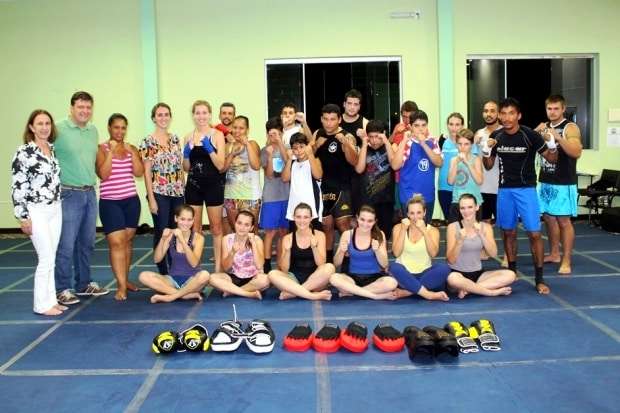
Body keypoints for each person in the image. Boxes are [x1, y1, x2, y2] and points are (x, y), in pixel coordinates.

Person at [482, 97, 558, 294]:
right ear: (500, 115)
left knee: (534, 233)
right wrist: (486, 150)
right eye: (503, 113)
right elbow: (488, 165)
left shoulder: (530, 135)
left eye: (511, 114)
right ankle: (512, 272)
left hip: (526, 190)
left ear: (518, 115)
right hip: (505, 190)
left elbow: (552, 158)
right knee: (508, 232)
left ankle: (539, 278)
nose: (507, 118)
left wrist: (552, 145)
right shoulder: (497, 136)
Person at [55, 91, 109, 305]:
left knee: (87, 243)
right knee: (66, 245)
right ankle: (61, 288)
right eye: (80, 107)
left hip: (89, 193)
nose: (85, 111)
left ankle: (83, 284)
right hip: (68, 193)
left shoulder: (93, 130)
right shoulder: (58, 129)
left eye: (88, 108)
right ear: (72, 108)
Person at [11, 110, 65, 315]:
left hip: (55, 209)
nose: (44, 127)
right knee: (45, 257)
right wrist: (23, 216)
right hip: (36, 211)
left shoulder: (51, 149)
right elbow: (18, 186)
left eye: (47, 123)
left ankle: (51, 300)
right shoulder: (24, 152)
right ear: (32, 127)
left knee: (51, 255)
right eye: (40, 124)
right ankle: (41, 305)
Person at [95, 114, 144, 300]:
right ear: (109, 128)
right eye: (116, 127)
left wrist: (133, 154)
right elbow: (104, 175)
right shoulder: (101, 149)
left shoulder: (131, 148)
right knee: (116, 243)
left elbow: (139, 172)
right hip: (110, 202)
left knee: (127, 242)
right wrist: (110, 153)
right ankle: (121, 286)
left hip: (131, 201)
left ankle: (125, 280)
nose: (120, 131)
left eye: (123, 128)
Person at [535, 95, 582, 274]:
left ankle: (566, 260)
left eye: (556, 108)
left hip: (563, 182)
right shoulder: (545, 127)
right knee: (548, 218)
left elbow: (576, 152)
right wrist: (536, 131)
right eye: (549, 109)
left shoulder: (570, 127)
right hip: (545, 179)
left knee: (564, 221)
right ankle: (554, 253)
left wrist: (559, 137)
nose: (552, 112)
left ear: (563, 109)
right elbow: (528, 144)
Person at [140, 103, 185, 275]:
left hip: (178, 192)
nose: (163, 118)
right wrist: (151, 198)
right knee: (162, 231)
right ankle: (163, 270)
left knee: (176, 231)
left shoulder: (174, 139)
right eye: (159, 115)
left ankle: (175, 267)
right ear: (153, 118)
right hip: (159, 193)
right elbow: (146, 171)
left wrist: (183, 189)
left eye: (166, 114)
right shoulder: (148, 142)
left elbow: (179, 167)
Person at [182, 100, 226, 272]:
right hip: (194, 186)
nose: (201, 116)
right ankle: (196, 268)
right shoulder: (188, 136)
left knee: (216, 228)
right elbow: (186, 168)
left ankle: (218, 269)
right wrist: (186, 154)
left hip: (213, 186)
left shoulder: (217, 135)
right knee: (196, 229)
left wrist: (209, 149)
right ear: (193, 115)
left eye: (204, 112)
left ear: (209, 114)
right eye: (197, 113)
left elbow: (221, 165)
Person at [446, 194, 516, 298]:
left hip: (478, 275)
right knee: (452, 279)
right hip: (457, 274)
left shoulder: (486, 227)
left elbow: (493, 254)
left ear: (476, 207)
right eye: (463, 208)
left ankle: (468, 290)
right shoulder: (453, 227)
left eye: (470, 207)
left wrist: (482, 235)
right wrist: (459, 241)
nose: (466, 211)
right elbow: (450, 260)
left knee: (511, 275)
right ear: (459, 210)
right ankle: (491, 292)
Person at [138, 205, 210, 303]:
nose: (186, 223)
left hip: (192, 280)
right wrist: (163, 239)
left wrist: (182, 240)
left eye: (189, 220)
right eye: (182, 219)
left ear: (193, 220)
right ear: (176, 218)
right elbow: (157, 259)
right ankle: (184, 295)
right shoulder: (170, 236)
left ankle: (171, 296)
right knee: (143, 276)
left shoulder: (198, 238)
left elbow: (194, 263)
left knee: (205, 275)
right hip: (172, 280)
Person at [313, 104, 358, 260]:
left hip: (342, 187)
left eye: (333, 119)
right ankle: (329, 262)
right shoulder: (317, 133)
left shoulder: (347, 135)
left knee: (344, 226)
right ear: (321, 119)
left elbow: (354, 161)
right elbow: (308, 157)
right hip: (323, 187)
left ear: (339, 120)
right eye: (325, 119)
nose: (329, 123)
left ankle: (349, 263)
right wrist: (314, 146)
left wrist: (346, 144)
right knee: (327, 227)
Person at [388, 195, 451, 301]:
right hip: (404, 275)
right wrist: (403, 230)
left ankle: (407, 292)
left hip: (425, 274)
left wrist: (424, 231)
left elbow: (433, 254)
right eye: (412, 213)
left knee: (444, 268)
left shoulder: (433, 231)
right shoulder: (398, 228)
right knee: (394, 267)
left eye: (419, 213)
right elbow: (396, 253)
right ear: (407, 214)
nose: (415, 217)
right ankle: (428, 294)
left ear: (425, 212)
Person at [268, 203, 334, 300]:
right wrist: (287, 251)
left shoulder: (319, 235)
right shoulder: (288, 238)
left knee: (329, 267)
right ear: (294, 218)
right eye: (298, 217)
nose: (302, 221)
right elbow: (285, 270)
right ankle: (311, 295)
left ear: (311, 218)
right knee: (272, 274)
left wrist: (314, 247)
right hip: (293, 279)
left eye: (305, 217)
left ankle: (295, 293)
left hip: (315, 279)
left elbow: (321, 264)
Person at [330, 206, 397, 299]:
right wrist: (341, 251)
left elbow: (385, 264)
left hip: (375, 279)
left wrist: (377, 250)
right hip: (352, 278)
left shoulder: (379, 234)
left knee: (392, 283)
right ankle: (375, 296)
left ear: (374, 222)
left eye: (370, 221)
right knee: (334, 278)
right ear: (357, 218)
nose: (365, 224)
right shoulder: (347, 234)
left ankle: (354, 292)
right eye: (362, 219)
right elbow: (336, 264)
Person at [392, 110, 443, 223]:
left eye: (423, 125)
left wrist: (423, 144)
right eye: (416, 126)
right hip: (408, 195)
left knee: (426, 230)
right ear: (410, 127)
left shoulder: (432, 141)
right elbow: (395, 166)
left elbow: (439, 162)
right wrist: (404, 140)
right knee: (410, 232)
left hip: (427, 195)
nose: (420, 129)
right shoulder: (407, 143)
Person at [209, 210, 269, 299]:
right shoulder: (226, 239)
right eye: (239, 223)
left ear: (251, 228)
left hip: (253, 278)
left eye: (246, 225)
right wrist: (232, 252)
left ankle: (233, 291)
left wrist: (253, 245)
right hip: (233, 277)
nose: (242, 227)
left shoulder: (257, 240)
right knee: (212, 278)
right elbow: (226, 267)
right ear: (235, 223)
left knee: (266, 280)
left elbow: (259, 266)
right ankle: (248, 294)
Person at [355, 120, 397, 237]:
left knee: (385, 235)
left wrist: (386, 141)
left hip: (386, 200)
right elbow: (359, 169)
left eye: (377, 137)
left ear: (383, 134)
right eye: (371, 137)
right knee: (368, 234)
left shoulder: (390, 147)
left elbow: (394, 163)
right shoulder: (363, 149)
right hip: (367, 200)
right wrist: (364, 145)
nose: (374, 140)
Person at [259, 117, 290, 273]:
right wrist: (270, 156)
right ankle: (266, 266)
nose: (274, 137)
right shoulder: (265, 151)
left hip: (286, 196)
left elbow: (288, 161)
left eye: (277, 134)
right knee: (270, 232)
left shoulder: (288, 149)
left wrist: (280, 144)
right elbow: (270, 175)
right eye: (271, 134)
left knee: (284, 231)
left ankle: (281, 264)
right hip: (271, 197)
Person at [223, 116, 262, 226]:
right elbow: (223, 169)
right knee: (236, 231)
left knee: (251, 232)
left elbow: (256, 166)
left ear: (247, 130)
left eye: (241, 128)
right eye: (235, 127)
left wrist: (247, 144)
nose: (237, 131)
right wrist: (232, 154)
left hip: (251, 196)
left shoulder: (253, 144)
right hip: (231, 195)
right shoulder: (227, 146)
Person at [282, 132, 323, 224]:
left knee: (312, 236)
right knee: (295, 236)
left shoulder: (314, 160)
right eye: (295, 148)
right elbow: (285, 178)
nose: (299, 151)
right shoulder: (292, 163)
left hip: (312, 207)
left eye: (301, 147)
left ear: (307, 146)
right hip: (294, 208)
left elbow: (318, 175)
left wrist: (310, 154)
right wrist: (289, 159)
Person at [446, 128, 483, 223]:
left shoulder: (476, 159)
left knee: (474, 233)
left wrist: (467, 163)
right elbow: (450, 182)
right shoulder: (453, 160)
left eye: (466, 144)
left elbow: (479, 181)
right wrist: (455, 164)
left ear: (471, 145)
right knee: (456, 233)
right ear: (456, 144)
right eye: (460, 144)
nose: (462, 147)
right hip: (457, 201)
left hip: (474, 203)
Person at [437, 112, 469, 221]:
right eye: (451, 124)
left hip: (462, 189)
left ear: (462, 126)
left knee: (463, 224)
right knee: (450, 223)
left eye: (457, 124)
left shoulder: (467, 143)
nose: (454, 128)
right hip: (444, 188)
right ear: (447, 125)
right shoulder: (442, 142)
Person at [390, 100, 419, 217]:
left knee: (415, 210)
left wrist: (411, 131)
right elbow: (388, 142)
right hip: (398, 176)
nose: (406, 120)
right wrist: (396, 132)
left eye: (409, 117)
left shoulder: (419, 128)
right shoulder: (398, 126)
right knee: (400, 211)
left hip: (413, 177)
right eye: (404, 116)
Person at [475, 100, 501, 223]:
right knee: (483, 227)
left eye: (492, 111)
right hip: (482, 188)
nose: (488, 114)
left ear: (498, 114)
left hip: (501, 189)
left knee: (505, 228)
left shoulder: (504, 133)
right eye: (486, 111)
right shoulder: (479, 134)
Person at [215, 102, 236, 236]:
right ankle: (226, 251)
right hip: (218, 181)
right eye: (224, 113)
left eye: (230, 113)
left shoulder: (239, 132)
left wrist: (230, 135)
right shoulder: (215, 133)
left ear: (234, 116)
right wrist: (224, 131)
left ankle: (244, 250)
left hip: (237, 182)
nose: (227, 116)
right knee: (222, 218)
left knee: (236, 219)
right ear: (219, 115)